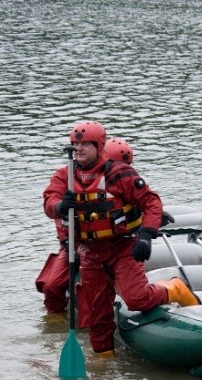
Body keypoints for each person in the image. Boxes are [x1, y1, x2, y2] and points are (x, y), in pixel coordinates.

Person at [43, 121, 198, 356]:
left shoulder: (118, 173)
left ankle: (174, 288)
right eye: (75, 144)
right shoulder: (65, 175)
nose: (79, 149)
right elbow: (48, 203)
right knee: (96, 315)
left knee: (136, 299)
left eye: (85, 144)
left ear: (99, 145)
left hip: (122, 245)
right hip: (89, 252)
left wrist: (146, 236)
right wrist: (60, 206)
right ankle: (104, 364)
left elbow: (151, 202)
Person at [35, 137, 136, 320]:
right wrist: (66, 241)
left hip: (116, 245)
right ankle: (56, 317)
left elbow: (140, 205)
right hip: (78, 243)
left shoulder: (123, 178)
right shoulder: (76, 181)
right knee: (52, 285)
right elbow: (58, 213)